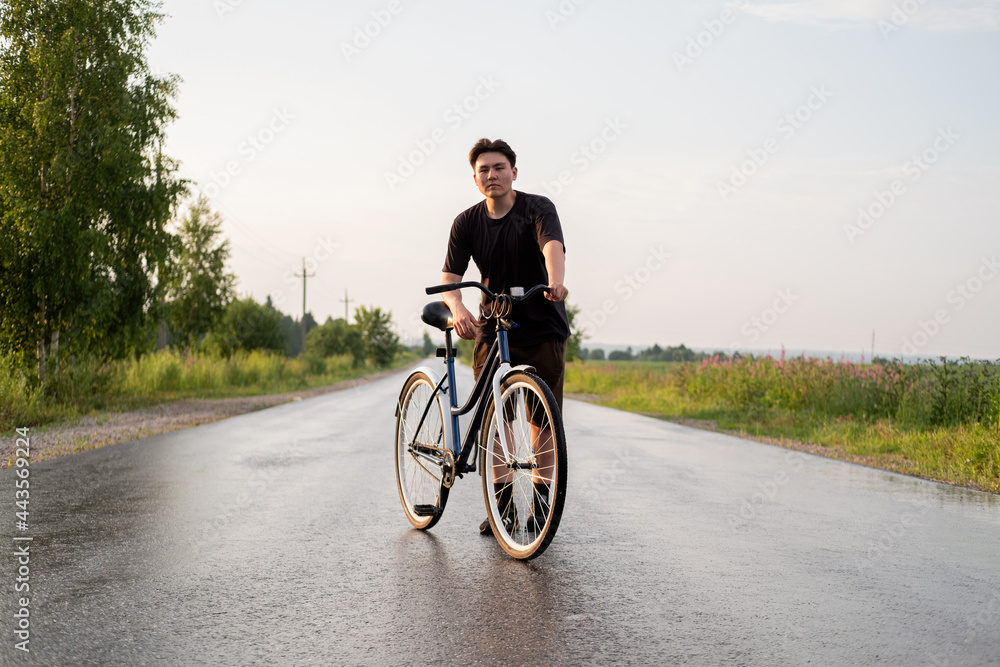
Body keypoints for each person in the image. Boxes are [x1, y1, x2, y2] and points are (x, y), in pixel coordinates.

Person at [439, 138, 569, 535]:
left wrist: (556, 283)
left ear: (514, 171)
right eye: (484, 170)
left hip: (541, 322)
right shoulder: (466, 222)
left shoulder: (537, 208)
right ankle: (504, 509)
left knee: (541, 422)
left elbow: (552, 246)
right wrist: (458, 309)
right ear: (475, 178)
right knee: (499, 422)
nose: (492, 175)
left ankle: (541, 509)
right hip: (493, 327)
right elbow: (450, 278)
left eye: (499, 167)